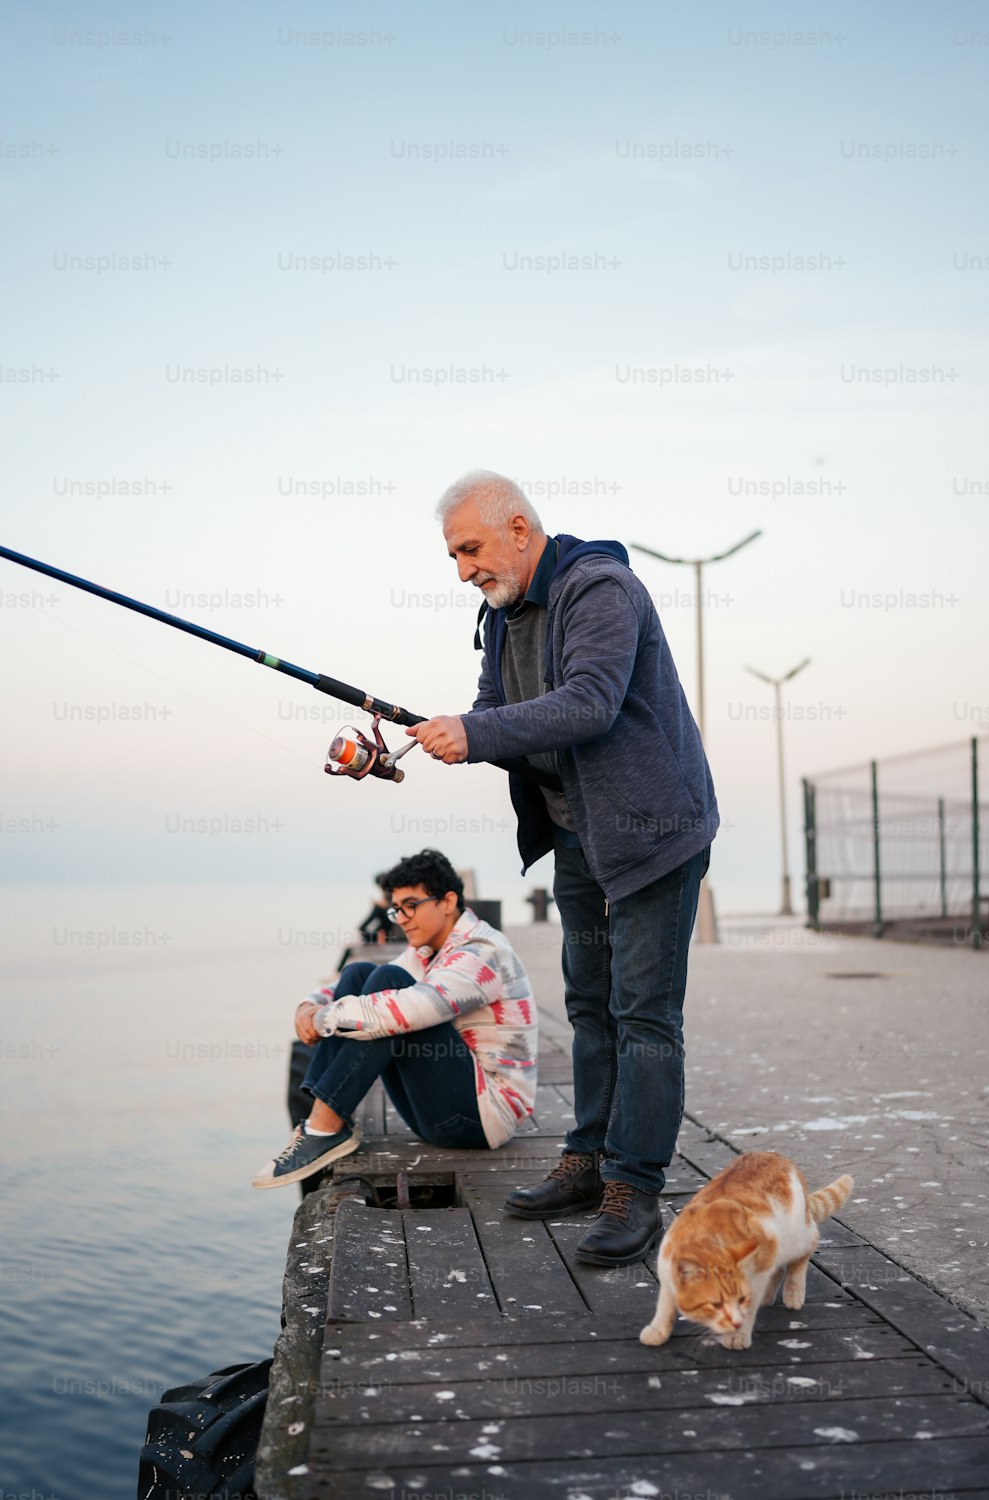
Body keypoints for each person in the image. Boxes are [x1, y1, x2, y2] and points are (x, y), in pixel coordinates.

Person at [406, 470, 719, 1266]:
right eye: (453, 555)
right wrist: (412, 740)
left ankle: (634, 1187)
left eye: (469, 549)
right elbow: (494, 717)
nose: (463, 569)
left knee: (644, 1013)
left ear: (518, 529)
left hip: (654, 832)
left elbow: (590, 703)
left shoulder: (601, 588)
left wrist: (472, 734)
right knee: (589, 1004)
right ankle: (586, 1161)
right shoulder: (502, 615)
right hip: (580, 836)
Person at [252, 848, 536, 1188]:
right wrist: (308, 1006)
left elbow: (407, 1009)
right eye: (396, 908)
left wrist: (322, 1019)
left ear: (447, 902)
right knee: (359, 973)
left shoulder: (482, 952)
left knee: (389, 990)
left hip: (483, 1119)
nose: (400, 918)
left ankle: (323, 1127)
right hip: (439, 1115)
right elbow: (358, 989)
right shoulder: (430, 950)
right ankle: (323, 1125)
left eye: (411, 905)